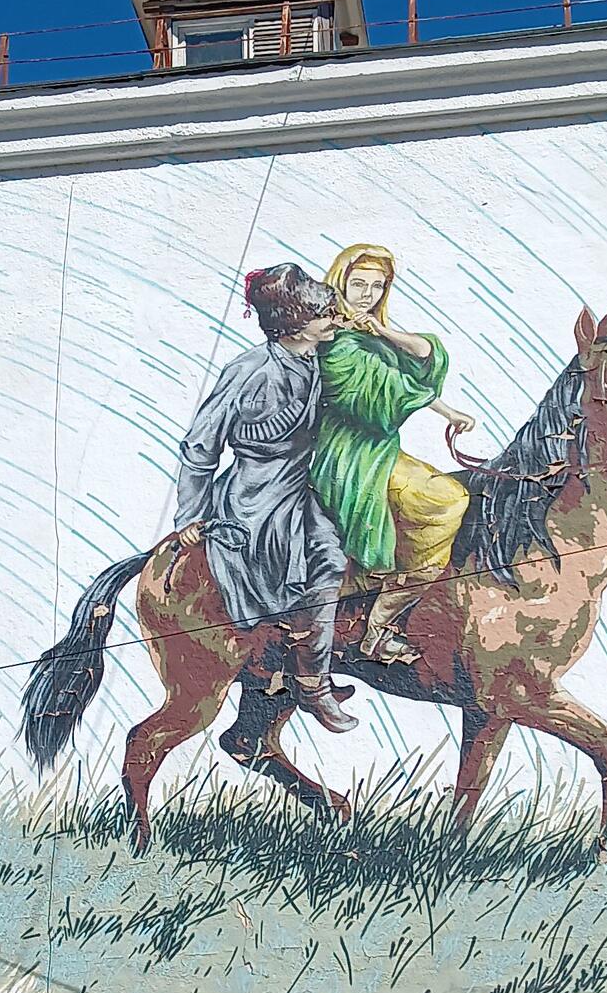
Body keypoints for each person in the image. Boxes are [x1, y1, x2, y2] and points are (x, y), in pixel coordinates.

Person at [171, 265, 357, 732]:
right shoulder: (249, 370)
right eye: (322, 313)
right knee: (327, 562)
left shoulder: (318, 356)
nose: (333, 319)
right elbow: (199, 445)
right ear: (295, 321)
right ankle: (312, 683)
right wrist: (190, 515)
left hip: (299, 485)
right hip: (255, 499)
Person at [312, 240, 477, 665]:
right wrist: (440, 406)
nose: (367, 294)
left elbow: (416, 363)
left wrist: (447, 410)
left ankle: (382, 619)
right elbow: (380, 395)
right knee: (446, 499)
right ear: (340, 282)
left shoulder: (367, 334)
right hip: (349, 454)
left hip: (379, 448)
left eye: (378, 286)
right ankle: (380, 624)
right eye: (359, 283)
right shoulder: (333, 340)